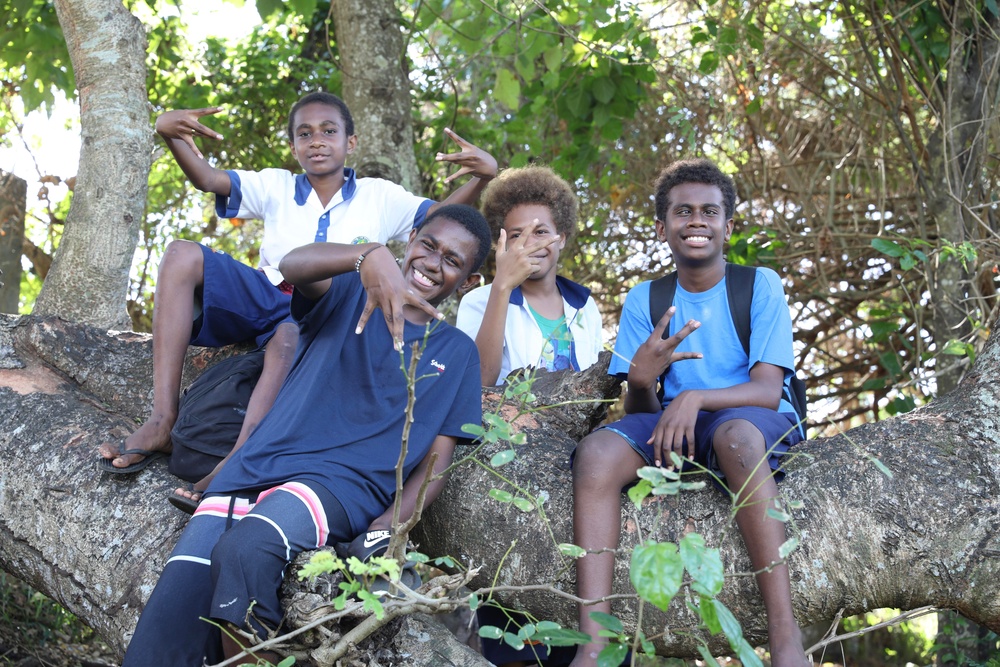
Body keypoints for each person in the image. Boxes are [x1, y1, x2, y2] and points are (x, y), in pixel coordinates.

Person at [120, 204, 492, 666]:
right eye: (429, 246)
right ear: (411, 237)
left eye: (453, 261)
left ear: (469, 281)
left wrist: (385, 530)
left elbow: (437, 462)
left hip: (338, 486)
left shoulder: (457, 352)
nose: (433, 263)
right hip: (252, 468)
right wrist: (367, 255)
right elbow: (294, 265)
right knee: (164, 630)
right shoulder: (349, 293)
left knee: (247, 548)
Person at [97, 91, 497, 501]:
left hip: (330, 311)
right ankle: (162, 418)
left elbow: (438, 226)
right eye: (305, 134)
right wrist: (168, 132)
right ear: (293, 146)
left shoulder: (380, 196)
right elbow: (207, 178)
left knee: (289, 336)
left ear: (351, 142)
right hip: (268, 292)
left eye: (329, 131)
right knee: (181, 253)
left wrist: (482, 178)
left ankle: (237, 462)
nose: (317, 141)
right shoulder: (275, 185)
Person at [569, 159, 809, 667]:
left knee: (736, 438)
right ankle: (594, 642)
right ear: (663, 228)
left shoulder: (758, 285)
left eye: (709, 211)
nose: (696, 221)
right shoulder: (647, 299)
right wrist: (639, 379)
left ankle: (786, 638)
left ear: (728, 225)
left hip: (750, 418)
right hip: (679, 423)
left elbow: (768, 389)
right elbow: (643, 409)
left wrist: (695, 396)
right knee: (595, 453)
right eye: (682, 212)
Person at [456, 165, 602, 386]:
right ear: (501, 244)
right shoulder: (478, 302)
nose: (531, 244)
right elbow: (479, 382)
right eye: (517, 235)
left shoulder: (585, 306)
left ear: (561, 238)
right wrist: (502, 287)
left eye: (541, 232)